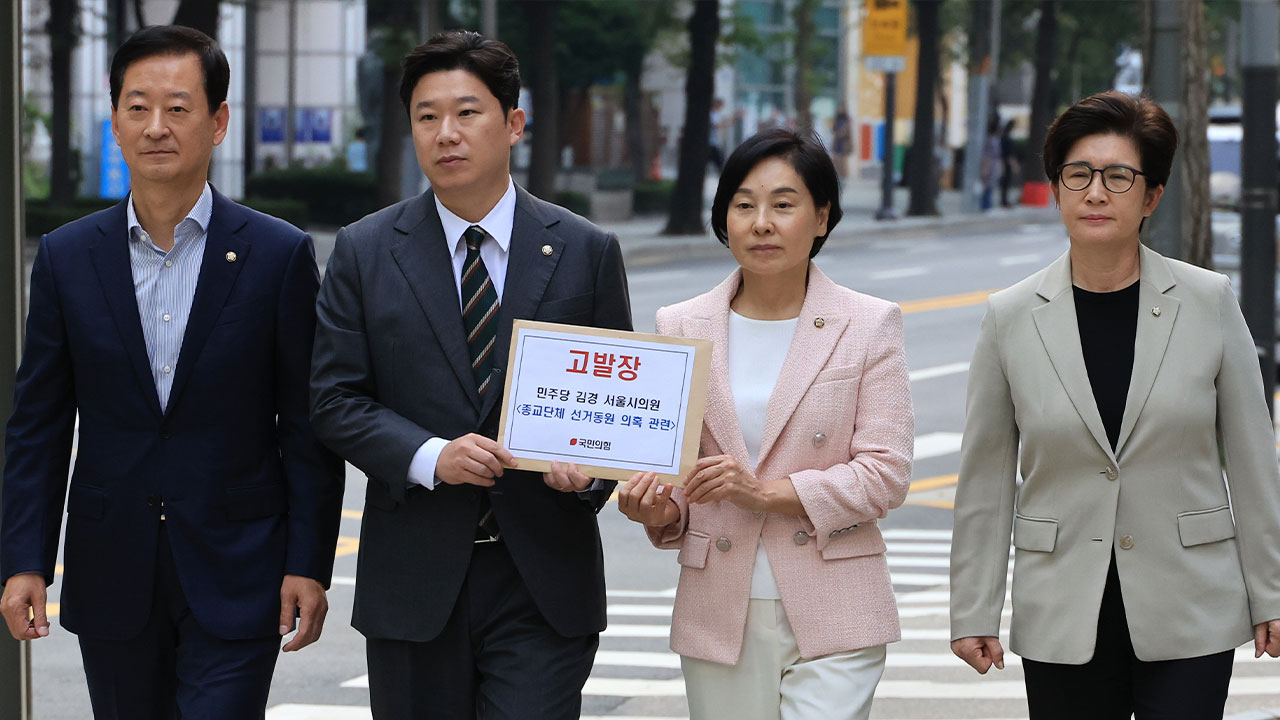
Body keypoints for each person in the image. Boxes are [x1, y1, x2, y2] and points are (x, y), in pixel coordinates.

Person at [0, 25, 345, 719]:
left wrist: (308, 562)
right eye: (138, 107)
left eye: (179, 108)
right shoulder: (69, 257)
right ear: (116, 120)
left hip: (239, 567)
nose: (157, 127)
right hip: (111, 565)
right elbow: (37, 424)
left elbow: (306, 427)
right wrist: (23, 560)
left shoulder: (277, 255)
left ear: (217, 123)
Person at [309, 30, 632, 719]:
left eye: (467, 113)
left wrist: (590, 474)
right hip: (414, 579)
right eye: (427, 117)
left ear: (513, 123)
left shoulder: (585, 251)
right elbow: (334, 398)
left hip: (543, 579)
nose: (445, 134)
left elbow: (616, 401)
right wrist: (431, 456)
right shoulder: (365, 252)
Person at [949, 90, 1280, 719]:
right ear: (1056, 188)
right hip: (1063, 611)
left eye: (1118, 176)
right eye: (1078, 174)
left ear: (1150, 196)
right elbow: (986, 480)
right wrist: (974, 608)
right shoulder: (1010, 317)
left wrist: (1273, 594)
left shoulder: (1208, 301)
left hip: (1191, 605)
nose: (1095, 193)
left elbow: (1253, 460)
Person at [617, 128, 914, 720]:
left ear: (822, 217)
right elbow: (672, 475)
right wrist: (658, 509)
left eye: (783, 204)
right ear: (724, 219)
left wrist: (767, 494)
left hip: (836, 599)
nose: (761, 222)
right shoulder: (678, 324)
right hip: (719, 600)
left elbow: (886, 473)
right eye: (744, 204)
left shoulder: (870, 324)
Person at [979, 115, 1003, 211]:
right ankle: (986, 205)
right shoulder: (992, 141)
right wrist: (985, 168)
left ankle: (987, 204)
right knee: (988, 186)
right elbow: (988, 156)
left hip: (992, 165)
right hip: (991, 166)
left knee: (989, 186)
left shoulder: (991, 140)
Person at [999, 119, 1018, 207]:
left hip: (1003, 161)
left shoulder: (1003, 137)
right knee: (1006, 182)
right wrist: (1014, 165)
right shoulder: (1007, 138)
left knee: (1004, 183)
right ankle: (1004, 201)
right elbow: (1009, 154)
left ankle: (1003, 200)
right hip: (1006, 163)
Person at [832, 109, 853, 178]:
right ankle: (839, 173)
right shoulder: (837, 120)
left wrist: (839, 134)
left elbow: (846, 132)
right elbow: (833, 129)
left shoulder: (847, 121)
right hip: (838, 142)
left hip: (843, 143)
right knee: (837, 157)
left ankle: (843, 174)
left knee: (843, 159)